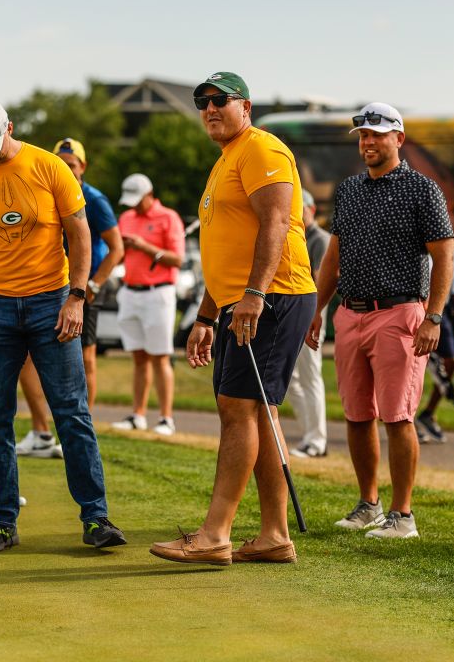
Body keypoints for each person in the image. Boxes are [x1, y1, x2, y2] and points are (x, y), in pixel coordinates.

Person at [0, 98, 125, 553]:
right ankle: (2, 521)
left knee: (71, 411)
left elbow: (80, 233)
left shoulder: (49, 167)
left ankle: (96, 517)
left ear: (11, 128)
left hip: (51, 301)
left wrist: (77, 296)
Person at [150, 72, 316, 566]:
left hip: (273, 296)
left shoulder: (262, 149)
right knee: (255, 412)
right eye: (202, 103)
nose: (210, 109)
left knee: (236, 409)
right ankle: (273, 536)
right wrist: (205, 314)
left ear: (246, 105)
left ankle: (215, 534)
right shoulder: (226, 160)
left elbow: (275, 224)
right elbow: (225, 248)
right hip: (239, 302)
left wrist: (253, 294)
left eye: (220, 101)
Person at [308, 102, 454, 540]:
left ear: (398, 139)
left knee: (397, 416)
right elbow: (334, 258)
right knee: (356, 415)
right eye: (363, 136)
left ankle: (402, 515)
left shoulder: (422, 189)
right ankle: (368, 504)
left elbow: (444, 255)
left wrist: (434, 316)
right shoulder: (350, 190)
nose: (368, 142)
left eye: (376, 134)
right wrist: (316, 309)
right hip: (350, 314)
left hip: (400, 312)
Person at [14, 138, 125, 459]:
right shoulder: (45, 193)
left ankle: (79, 435)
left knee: (85, 359)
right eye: (59, 162)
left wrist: (92, 284)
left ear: (83, 167)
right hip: (49, 287)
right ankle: (41, 432)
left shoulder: (94, 199)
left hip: (82, 288)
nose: (65, 168)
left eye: (71, 163)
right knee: (25, 360)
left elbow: (116, 248)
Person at [112, 172, 184, 436]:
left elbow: (177, 260)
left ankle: (166, 418)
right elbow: (119, 257)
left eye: (137, 200)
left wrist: (144, 246)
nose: (133, 206)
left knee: (160, 357)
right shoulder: (127, 217)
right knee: (139, 357)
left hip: (159, 293)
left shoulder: (168, 218)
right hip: (130, 292)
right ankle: (138, 415)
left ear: (149, 195)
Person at [288, 189, 330, 458]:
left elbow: (319, 282)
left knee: (309, 375)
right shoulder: (295, 235)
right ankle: (309, 434)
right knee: (292, 378)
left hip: (312, 312)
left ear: (311, 210)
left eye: (301, 209)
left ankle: (317, 440)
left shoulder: (319, 240)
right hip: (293, 311)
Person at [415, 252, 454, 443]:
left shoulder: (449, 248)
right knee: (414, 369)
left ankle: (427, 413)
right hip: (415, 308)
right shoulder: (415, 241)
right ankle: (408, 418)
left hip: (438, 312)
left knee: (451, 361)